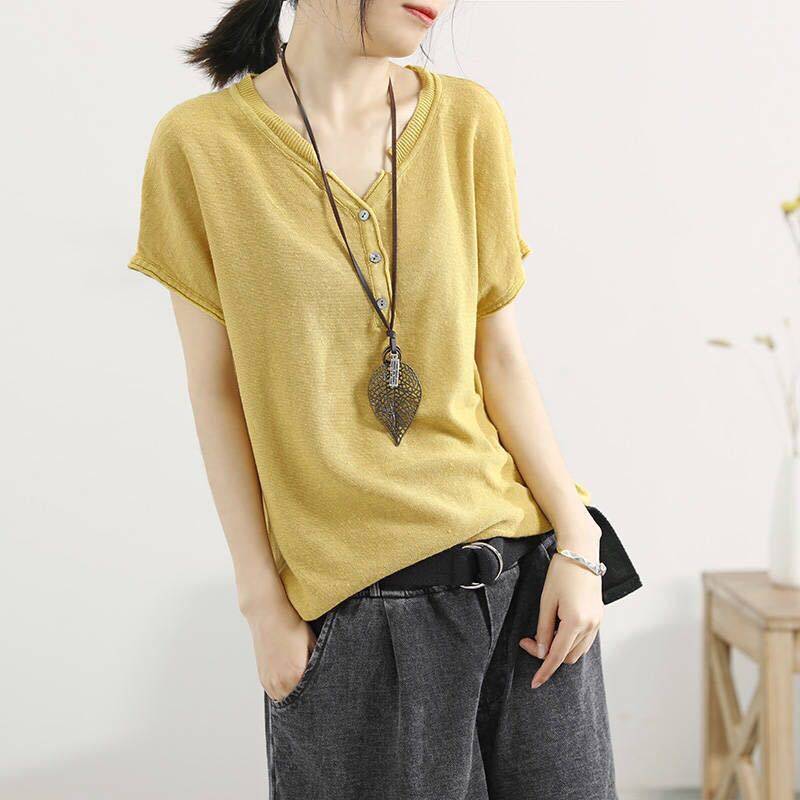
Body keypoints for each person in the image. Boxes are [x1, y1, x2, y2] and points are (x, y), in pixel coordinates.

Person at [128, 0, 641, 797]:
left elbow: (500, 358)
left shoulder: (468, 121)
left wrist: (579, 539)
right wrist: (263, 606)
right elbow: (216, 392)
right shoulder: (201, 147)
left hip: (528, 593)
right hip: (359, 623)